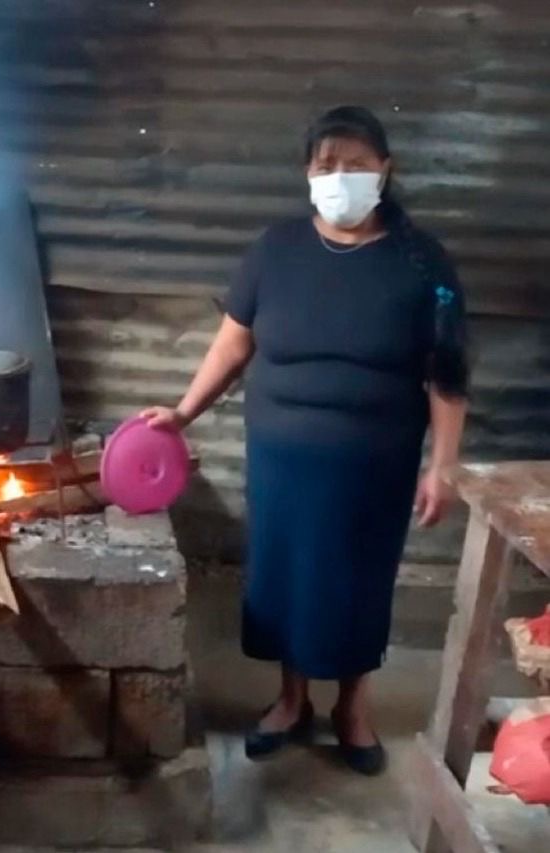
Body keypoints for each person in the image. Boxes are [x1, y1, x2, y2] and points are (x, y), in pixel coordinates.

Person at [142, 106, 469, 776]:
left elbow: (448, 374)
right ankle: (290, 700)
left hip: (374, 461)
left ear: (386, 169)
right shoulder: (275, 249)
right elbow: (233, 344)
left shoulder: (422, 261)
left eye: (356, 163)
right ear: (306, 173)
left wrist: (443, 465)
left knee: (356, 582)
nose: (340, 176)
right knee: (287, 578)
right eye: (327, 165)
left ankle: (353, 705)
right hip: (281, 456)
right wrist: (183, 412)